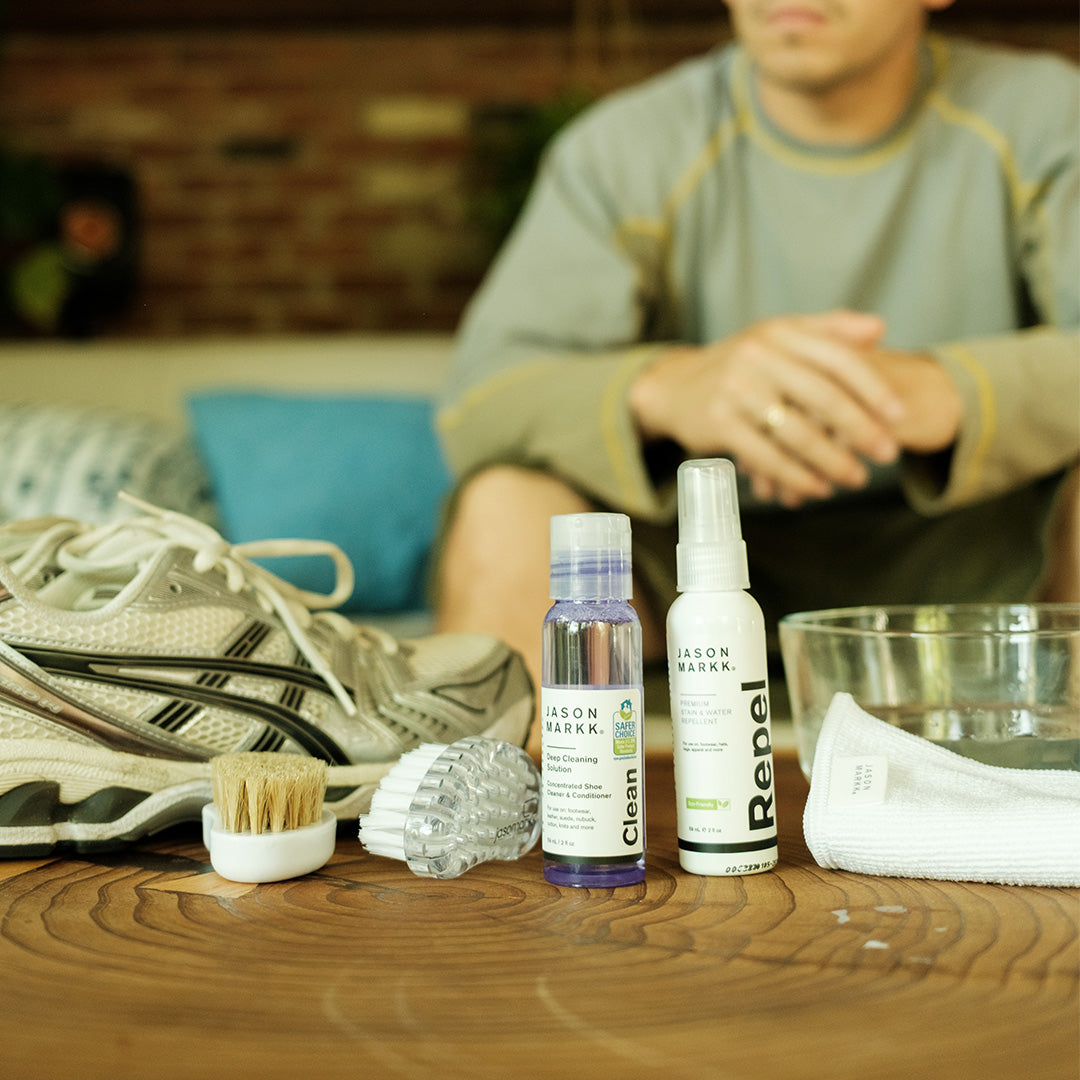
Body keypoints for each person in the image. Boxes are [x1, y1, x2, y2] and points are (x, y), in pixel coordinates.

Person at [433, 0, 1080, 746]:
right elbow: (478, 403)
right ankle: (530, 837)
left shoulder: (1047, 118)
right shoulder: (625, 147)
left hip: (992, 570)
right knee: (505, 503)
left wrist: (948, 388)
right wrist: (668, 387)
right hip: (674, 575)